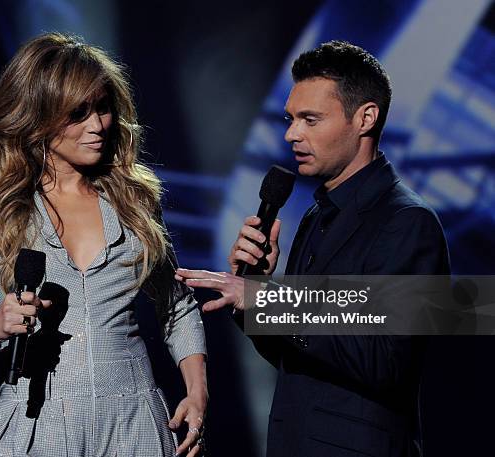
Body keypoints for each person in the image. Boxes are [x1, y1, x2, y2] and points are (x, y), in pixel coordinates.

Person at [0, 33, 207, 457]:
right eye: (78, 113)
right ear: (38, 115)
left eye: (103, 108)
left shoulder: (133, 199)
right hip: (36, 421)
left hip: (134, 425)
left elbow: (176, 305)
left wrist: (197, 391)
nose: (97, 125)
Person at [175, 41, 450, 456]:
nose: (291, 134)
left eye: (310, 119)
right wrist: (256, 287)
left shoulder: (408, 223)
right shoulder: (317, 216)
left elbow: (386, 358)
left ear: (366, 118)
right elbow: (298, 355)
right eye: (290, 119)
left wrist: (273, 300)